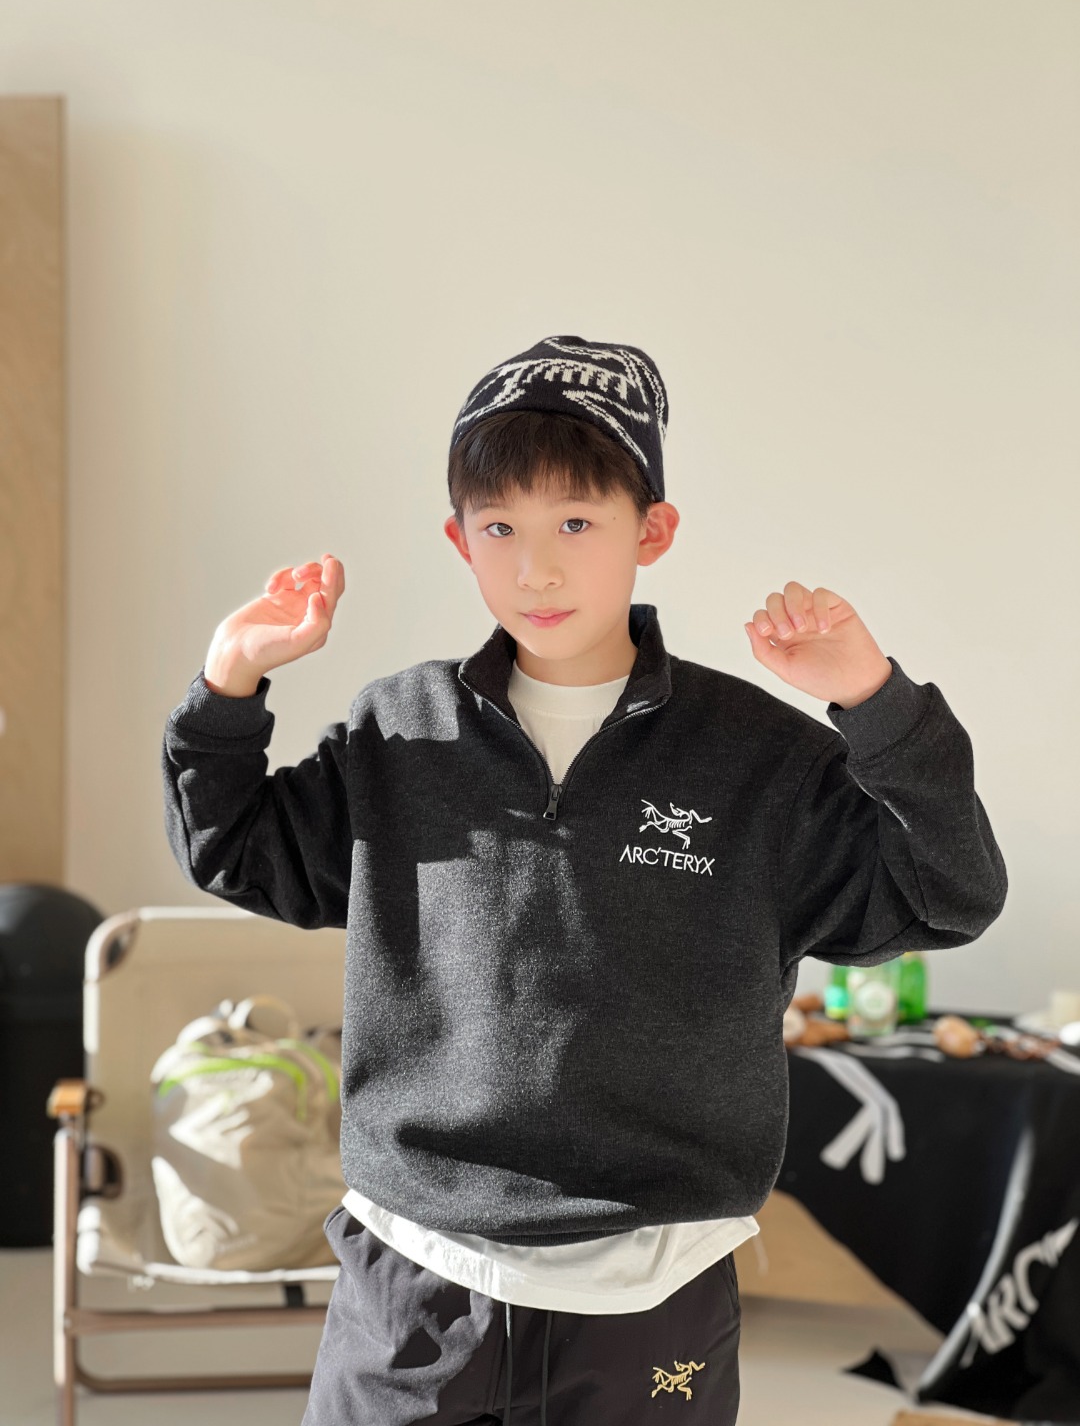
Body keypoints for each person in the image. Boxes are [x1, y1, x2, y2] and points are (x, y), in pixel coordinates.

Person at [162, 334, 1008, 1425]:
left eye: (575, 523)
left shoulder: (758, 758)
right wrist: (229, 684)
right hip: (415, 1273)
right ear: (459, 539)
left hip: (654, 1289)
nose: (537, 569)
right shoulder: (399, 733)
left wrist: (875, 701)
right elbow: (235, 848)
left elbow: (950, 891)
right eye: (500, 528)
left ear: (651, 530)